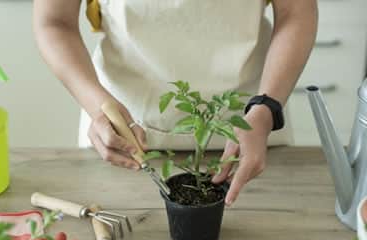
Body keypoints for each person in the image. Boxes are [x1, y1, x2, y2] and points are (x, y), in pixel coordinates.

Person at [33, 0, 318, 205]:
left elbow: (296, 10)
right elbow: (54, 21)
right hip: (124, 133)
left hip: (251, 128)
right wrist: (97, 105)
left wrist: (266, 106)